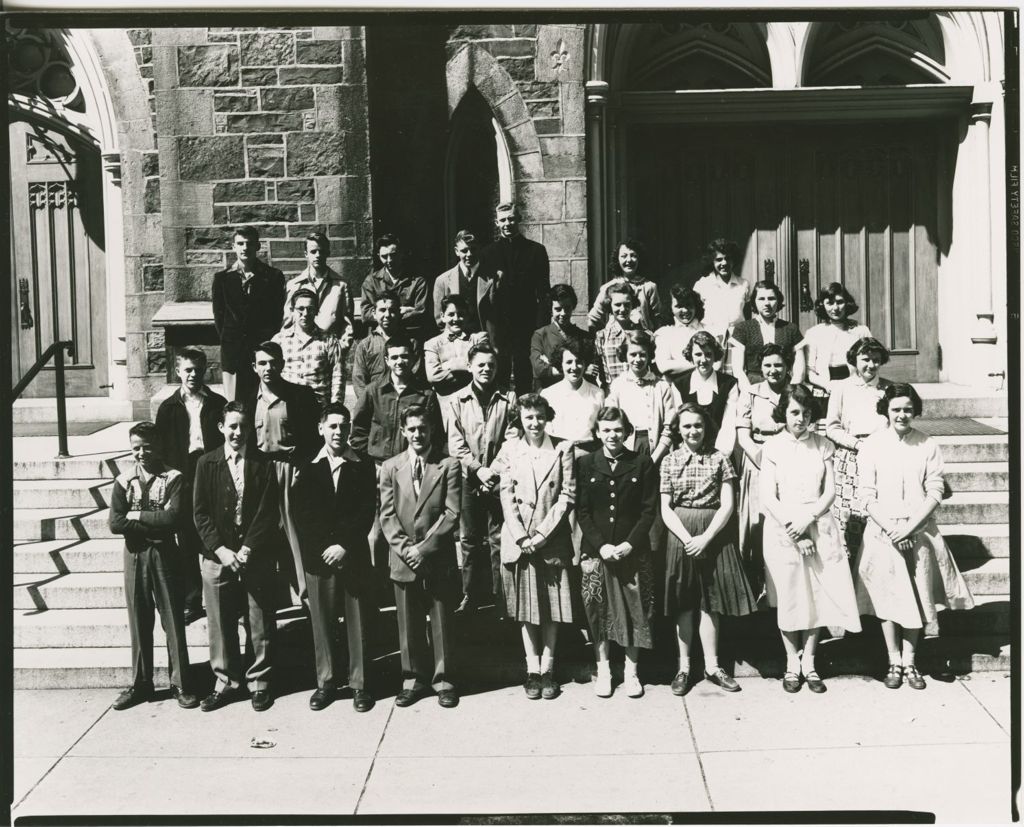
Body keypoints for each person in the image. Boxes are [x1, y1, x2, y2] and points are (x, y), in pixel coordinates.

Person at [854, 383, 975, 690]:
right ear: (886, 410)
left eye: (908, 409)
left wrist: (909, 528)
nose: (902, 415)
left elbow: (935, 491)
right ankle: (893, 660)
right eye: (896, 409)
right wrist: (892, 529)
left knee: (918, 597)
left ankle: (910, 661)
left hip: (919, 531)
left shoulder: (927, 444)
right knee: (888, 597)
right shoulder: (871, 445)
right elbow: (866, 496)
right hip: (883, 533)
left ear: (915, 410)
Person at [759, 385, 861, 694]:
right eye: (794, 412)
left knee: (817, 594)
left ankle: (810, 662)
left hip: (819, 526)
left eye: (805, 413)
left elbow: (829, 492)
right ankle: (792, 661)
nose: (800, 418)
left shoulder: (823, 446)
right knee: (790, 596)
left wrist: (808, 520)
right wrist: (796, 528)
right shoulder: (773, 446)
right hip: (783, 530)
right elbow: (768, 496)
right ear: (783, 414)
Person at [660, 404, 756, 696]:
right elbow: (665, 507)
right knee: (685, 602)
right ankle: (684, 667)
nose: (693, 431)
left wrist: (706, 537)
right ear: (678, 428)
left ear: (706, 427)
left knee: (710, 602)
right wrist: (687, 537)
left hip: (713, 533)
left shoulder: (720, 459)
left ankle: (713, 666)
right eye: (687, 426)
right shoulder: (670, 461)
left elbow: (727, 504)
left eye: (698, 426)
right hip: (681, 533)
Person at [192, 402, 279, 712]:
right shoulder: (207, 463)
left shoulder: (263, 463)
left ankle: (260, 681)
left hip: (255, 554)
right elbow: (200, 513)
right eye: (232, 426)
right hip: (218, 556)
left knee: (259, 618)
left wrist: (247, 549)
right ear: (221, 428)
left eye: (242, 426)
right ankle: (227, 681)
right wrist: (221, 550)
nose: (237, 432)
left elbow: (269, 511)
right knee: (219, 621)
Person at [292, 403, 375, 713]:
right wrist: (324, 548)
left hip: (351, 554)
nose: (338, 432)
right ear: (321, 428)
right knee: (322, 622)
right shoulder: (307, 464)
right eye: (333, 426)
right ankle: (326, 682)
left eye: (343, 426)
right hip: (319, 558)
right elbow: (302, 514)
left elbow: (366, 510)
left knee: (357, 621)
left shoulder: (362, 464)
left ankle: (360, 684)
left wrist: (344, 545)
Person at [492, 394, 577, 700]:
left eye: (540, 416)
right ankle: (531, 669)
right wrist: (521, 536)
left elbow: (567, 495)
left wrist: (541, 535)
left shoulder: (563, 448)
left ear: (547, 417)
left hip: (550, 540)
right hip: (521, 541)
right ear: (520, 419)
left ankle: (548, 669)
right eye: (529, 417)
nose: (535, 423)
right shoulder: (511, 450)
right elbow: (506, 495)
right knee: (527, 610)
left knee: (552, 608)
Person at [108, 422, 197, 711]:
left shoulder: (173, 477)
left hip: (164, 553)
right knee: (139, 618)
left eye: (147, 446)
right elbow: (115, 523)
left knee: (172, 617)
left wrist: (136, 516)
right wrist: (151, 519)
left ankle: (181, 682)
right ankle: (141, 682)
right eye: (136, 447)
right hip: (134, 555)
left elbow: (174, 518)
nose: (141, 453)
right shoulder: (124, 481)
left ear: (158, 446)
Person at [379, 405, 462, 708]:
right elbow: (387, 516)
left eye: (422, 428)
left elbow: (452, 513)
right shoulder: (390, 467)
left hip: (436, 556)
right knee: (408, 623)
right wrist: (406, 550)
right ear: (403, 431)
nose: (417, 434)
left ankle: (444, 679)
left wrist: (424, 549)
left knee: (441, 619)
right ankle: (412, 679)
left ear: (431, 430)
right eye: (411, 429)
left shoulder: (448, 465)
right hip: (403, 558)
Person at [577, 407, 658, 698]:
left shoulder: (642, 463)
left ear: (627, 432)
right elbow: (582, 512)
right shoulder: (586, 464)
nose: (612, 435)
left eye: (618, 430)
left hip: (632, 551)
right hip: (597, 553)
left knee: (635, 610)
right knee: (598, 611)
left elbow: (649, 511)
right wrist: (602, 546)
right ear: (598, 433)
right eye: (606, 430)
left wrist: (629, 544)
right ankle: (604, 670)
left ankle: (631, 672)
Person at [351, 336, 445, 586]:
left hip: (412, 471)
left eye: (405, 356)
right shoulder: (374, 391)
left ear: (413, 360)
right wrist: (370, 460)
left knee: (407, 526)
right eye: (394, 357)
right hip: (379, 469)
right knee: (378, 531)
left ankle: (405, 582)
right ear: (386, 360)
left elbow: (436, 435)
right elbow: (357, 432)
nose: (400, 361)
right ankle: (378, 584)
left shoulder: (425, 394)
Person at [154, 348, 226, 624]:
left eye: (197, 369)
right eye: (187, 370)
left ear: (205, 369)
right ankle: (192, 599)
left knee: (214, 532)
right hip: (182, 476)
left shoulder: (217, 402)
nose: (193, 375)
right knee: (186, 539)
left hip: (210, 474)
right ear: (178, 372)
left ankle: (220, 597)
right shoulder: (169, 407)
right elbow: (161, 448)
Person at [247, 341, 321, 606]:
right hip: (258, 473)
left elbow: (314, 439)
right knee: (260, 531)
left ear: (282, 364)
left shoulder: (299, 395)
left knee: (294, 532)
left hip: (290, 470)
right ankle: (268, 596)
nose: (268, 368)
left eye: (273, 362)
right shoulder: (246, 399)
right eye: (262, 363)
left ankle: (306, 594)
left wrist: (303, 466)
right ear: (254, 367)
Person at [448, 342, 519, 612]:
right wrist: (478, 469)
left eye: (491, 365)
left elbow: (512, 436)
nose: (486, 369)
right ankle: (470, 593)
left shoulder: (508, 398)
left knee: (498, 536)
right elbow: (456, 444)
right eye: (481, 365)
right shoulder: (457, 400)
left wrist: (494, 469)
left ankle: (501, 594)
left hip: (499, 477)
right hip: (469, 477)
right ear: (470, 367)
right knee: (469, 537)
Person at [825, 337, 892, 559]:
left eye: (875, 360)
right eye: (865, 359)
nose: (871, 365)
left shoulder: (889, 389)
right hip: (850, 456)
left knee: (879, 512)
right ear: (854, 360)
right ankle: (851, 570)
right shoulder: (842, 388)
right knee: (850, 516)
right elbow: (832, 428)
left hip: (883, 457)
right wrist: (857, 444)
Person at [734, 343, 789, 601]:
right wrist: (761, 458)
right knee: (756, 522)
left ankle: (783, 584)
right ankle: (756, 584)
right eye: (767, 365)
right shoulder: (751, 393)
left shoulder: (794, 392)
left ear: (787, 366)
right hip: (757, 461)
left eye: (778, 365)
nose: (773, 370)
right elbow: (743, 434)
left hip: (789, 462)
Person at [480, 201, 551, 394]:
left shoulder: (536, 251)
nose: (507, 223)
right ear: (496, 223)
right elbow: (484, 296)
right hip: (499, 325)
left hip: (526, 323)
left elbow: (544, 293)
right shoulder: (488, 254)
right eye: (502, 220)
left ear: (518, 219)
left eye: (511, 218)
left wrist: (541, 327)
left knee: (524, 373)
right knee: (499, 373)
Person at [211, 225, 286, 401]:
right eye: (241, 243)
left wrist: (266, 343)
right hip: (233, 352)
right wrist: (230, 340)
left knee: (264, 398)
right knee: (235, 404)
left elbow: (276, 315)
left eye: (250, 244)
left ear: (258, 247)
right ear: (233, 246)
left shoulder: (273, 277)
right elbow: (219, 317)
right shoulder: (222, 279)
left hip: (261, 351)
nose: (245, 248)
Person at [797, 282, 872, 413]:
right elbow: (810, 370)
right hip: (825, 389)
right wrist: (827, 385)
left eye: (840, 302)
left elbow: (869, 362)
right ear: (822, 305)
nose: (835, 308)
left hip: (854, 387)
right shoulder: (814, 333)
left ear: (847, 303)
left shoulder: (861, 331)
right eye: (830, 303)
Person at [273, 288, 346, 407]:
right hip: (287, 405)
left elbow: (338, 375)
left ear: (317, 311)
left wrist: (335, 407)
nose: (305, 314)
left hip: (319, 406)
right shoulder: (279, 340)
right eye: (300, 309)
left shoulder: (329, 340)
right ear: (292, 311)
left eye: (310, 309)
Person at [424, 295, 487, 429]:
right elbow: (433, 376)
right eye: (451, 314)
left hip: (474, 404)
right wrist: (469, 369)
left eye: (461, 314)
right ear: (442, 316)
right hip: (446, 408)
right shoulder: (432, 344)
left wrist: (451, 365)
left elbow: (484, 368)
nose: (456, 319)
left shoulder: (477, 339)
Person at [670, 330, 739, 455]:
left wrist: (720, 456)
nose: (703, 360)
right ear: (690, 356)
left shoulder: (729, 384)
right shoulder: (679, 385)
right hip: (689, 452)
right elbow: (680, 424)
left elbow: (729, 424)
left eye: (708, 354)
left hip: (721, 452)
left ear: (715, 355)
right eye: (698, 354)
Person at [729, 280, 805, 391]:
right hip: (754, 386)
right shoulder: (743, 328)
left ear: (778, 301)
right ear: (754, 301)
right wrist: (749, 393)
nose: (767, 303)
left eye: (771, 298)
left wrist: (792, 390)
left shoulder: (790, 328)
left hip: (784, 387)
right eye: (761, 299)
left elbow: (799, 367)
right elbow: (737, 370)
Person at [351, 291, 424, 399]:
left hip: (405, 402)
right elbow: (359, 380)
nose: (387, 315)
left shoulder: (411, 343)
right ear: (374, 313)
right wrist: (369, 405)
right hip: (375, 405)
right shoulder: (365, 345)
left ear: (399, 313)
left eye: (392, 310)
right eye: (382, 310)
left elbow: (416, 376)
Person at [360, 233, 430, 343]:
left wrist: (383, 314)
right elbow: (366, 314)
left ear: (401, 253)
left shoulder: (417, 281)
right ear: (378, 256)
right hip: (381, 339)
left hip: (410, 339)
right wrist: (404, 311)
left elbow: (422, 312)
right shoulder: (371, 282)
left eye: (393, 255)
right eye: (384, 256)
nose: (389, 260)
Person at [282, 232, 355, 337]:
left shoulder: (341, 285)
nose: (318, 255)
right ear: (306, 254)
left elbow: (347, 324)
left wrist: (342, 347)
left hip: (331, 347)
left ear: (328, 253)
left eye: (321, 251)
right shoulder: (293, 285)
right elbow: (288, 322)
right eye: (313, 251)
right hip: (302, 348)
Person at [432, 229, 499, 341]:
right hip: (456, 343)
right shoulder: (442, 281)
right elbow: (440, 319)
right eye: (464, 251)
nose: (469, 254)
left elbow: (500, 313)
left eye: (473, 249)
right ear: (456, 251)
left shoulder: (495, 278)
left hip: (486, 342)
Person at [541, 341, 605, 454]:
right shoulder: (548, 394)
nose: (574, 367)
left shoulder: (598, 394)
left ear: (585, 364)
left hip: (589, 453)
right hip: (558, 453)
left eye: (579, 362)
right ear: (561, 364)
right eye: (569, 362)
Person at [588, 239, 664, 332]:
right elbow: (593, 318)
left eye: (633, 256)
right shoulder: (608, 288)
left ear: (639, 259)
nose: (629, 260)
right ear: (617, 259)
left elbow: (658, 319)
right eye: (624, 256)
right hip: (616, 341)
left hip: (641, 341)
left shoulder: (649, 287)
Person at [531, 284, 597, 390]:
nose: (563, 313)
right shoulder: (540, 335)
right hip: (550, 393)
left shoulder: (584, 337)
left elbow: (592, 369)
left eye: (567, 308)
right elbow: (539, 369)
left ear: (573, 306)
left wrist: (552, 366)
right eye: (558, 309)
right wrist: (582, 370)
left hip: (578, 393)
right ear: (551, 309)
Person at [692, 238, 750, 349]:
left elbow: (747, 315)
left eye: (728, 258)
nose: (724, 263)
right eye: (719, 259)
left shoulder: (743, 284)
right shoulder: (702, 285)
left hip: (737, 341)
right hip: (710, 340)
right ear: (712, 262)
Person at [595, 282, 647, 389]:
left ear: (633, 305)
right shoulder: (602, 336)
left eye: (627, 304)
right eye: (618, 305)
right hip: (614, 396)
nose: (622, 309)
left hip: (640, 393)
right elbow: (601, 374)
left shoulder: (644, 335)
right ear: (610, 305)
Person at [654, 285, 707, 381]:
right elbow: (664, 366)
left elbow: (717, 364)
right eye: (679, 306)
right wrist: (703, 362)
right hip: (675, 388)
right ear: (670, 307)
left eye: (689, 305)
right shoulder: (663, 334)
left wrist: (678, 365)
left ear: (696, 305)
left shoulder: (708, 330)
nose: (685, 310)